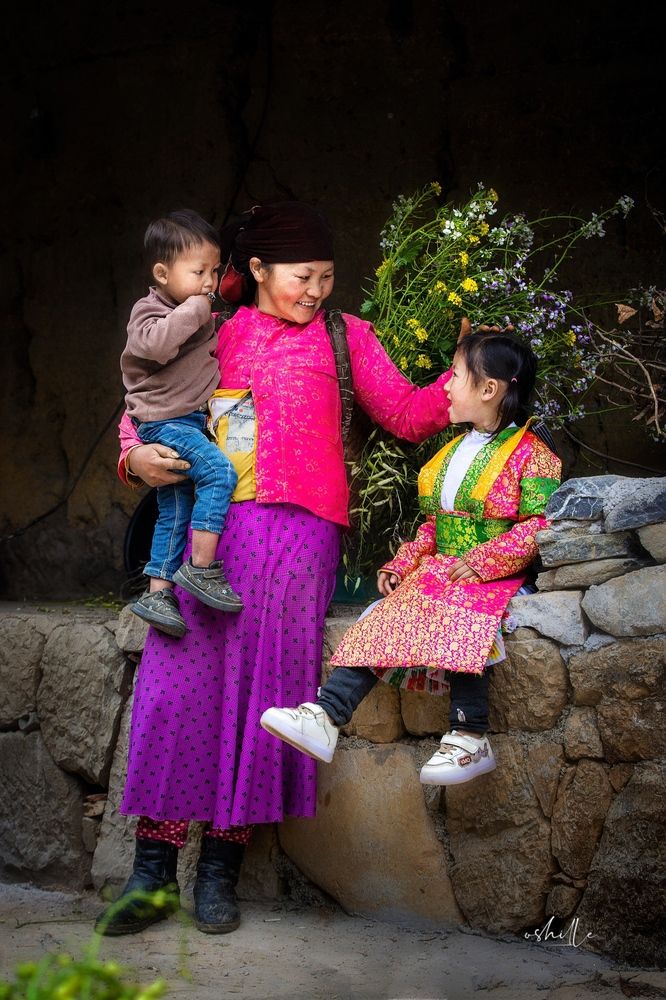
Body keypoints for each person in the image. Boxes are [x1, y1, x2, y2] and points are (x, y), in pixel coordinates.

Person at [96, 200, 457, 937]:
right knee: (176, 688)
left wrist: (468, 379)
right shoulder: (212, 327)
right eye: (303, 276)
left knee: (270, 692)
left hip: (300, 543)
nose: (317, 289)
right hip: (210, 537)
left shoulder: (346, 336)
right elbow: (145, 403)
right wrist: (134, 458)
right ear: (257, 270)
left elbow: (409, 414)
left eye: (327, 275)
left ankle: (221, 874)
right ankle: (152, 873)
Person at [260, 328, 562, 786]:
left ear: (488, 389)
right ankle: (326, 715)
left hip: (495, 575)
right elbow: (433, 527)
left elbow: (539, 524)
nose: (445, 385)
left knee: (464, 613)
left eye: (456, 375)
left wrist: (486, 560)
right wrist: (403, 563)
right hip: (445, 570)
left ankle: (469, 734)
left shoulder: (535, 458)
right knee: (384, 613)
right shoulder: (450, 455)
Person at [120, 208, 242, 641]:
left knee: (174, 509)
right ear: (162, 272)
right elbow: (154, 346)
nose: (209, 283)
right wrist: (195, 310)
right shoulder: (149, 311)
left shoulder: (200, 317)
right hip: (165, 424)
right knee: (219, 472)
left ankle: (158, 591)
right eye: (198, 272)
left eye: (214, 270)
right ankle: (202, 569)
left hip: (185, 422)